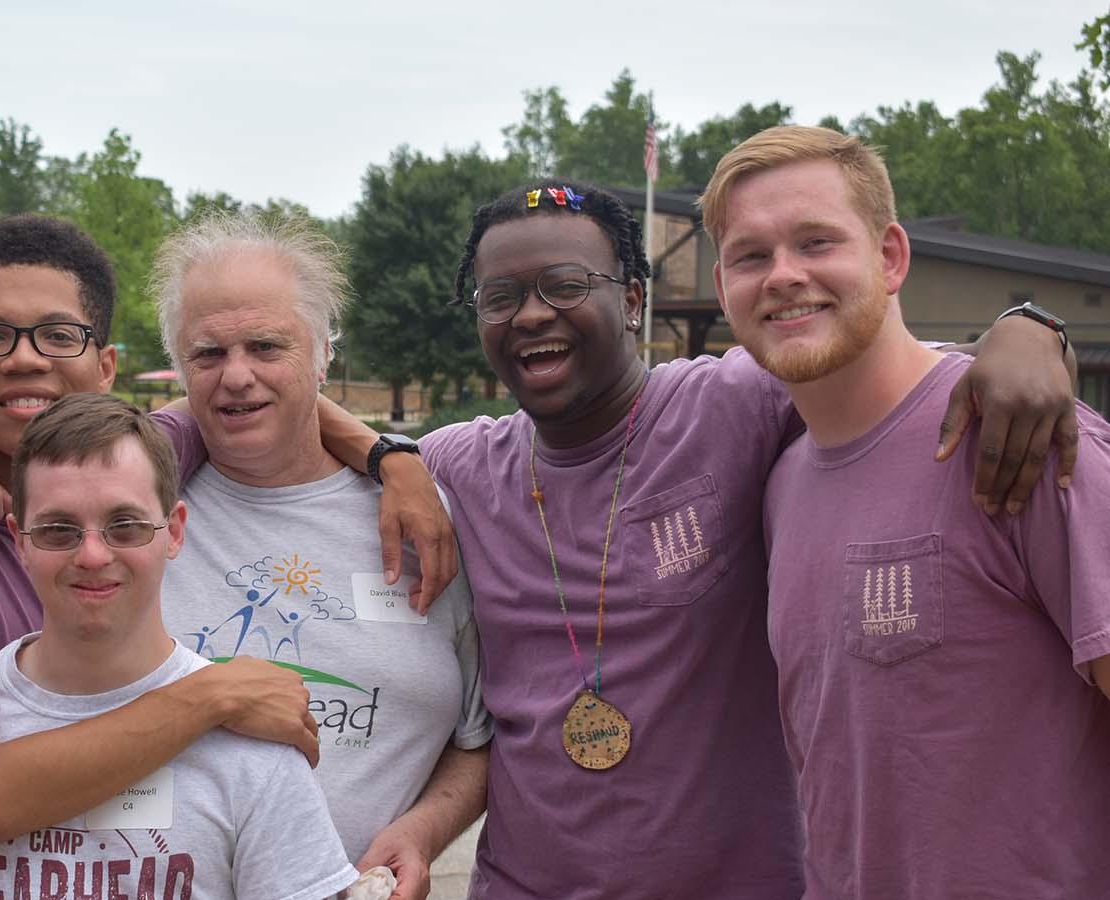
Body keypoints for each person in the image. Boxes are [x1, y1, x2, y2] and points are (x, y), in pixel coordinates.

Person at [302, 176, 1079, 898]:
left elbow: (892, 369)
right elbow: (274, 417)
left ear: (634, 299)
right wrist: (390, 457)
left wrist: (1029, 328)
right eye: (498, 297)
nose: (531, 313)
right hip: (522, 881)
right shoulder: (458, 467)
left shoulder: (733, 403)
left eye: (566, 286)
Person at [0, 213, 450, 854]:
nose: (25, 358)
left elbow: (253, 387)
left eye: (58, 335)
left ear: (105, 366)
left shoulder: (142, 461)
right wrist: (213, 693)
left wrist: (391, 458)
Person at [703, 124, 1110, 899]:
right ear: (724, 288)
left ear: (890, 257)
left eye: (817, 242)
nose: (784, 275)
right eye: (751, 256)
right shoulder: (782, 485)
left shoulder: (1023, 437)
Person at [0, 392, 361, 900]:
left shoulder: (253, 748)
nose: (92, 554)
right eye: (58, 530)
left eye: (125, 526)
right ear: (19, 541)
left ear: (175, 531)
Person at [149, 212, 490, 900]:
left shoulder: (430, 524)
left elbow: (479, 736)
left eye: (267, 346)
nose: (236, 376)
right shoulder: (133, 520)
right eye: (207, 354)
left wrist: (424, 830)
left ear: (324, 354)